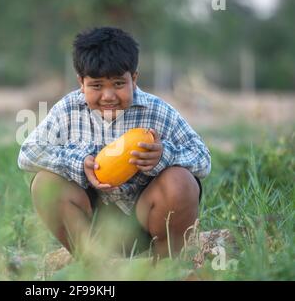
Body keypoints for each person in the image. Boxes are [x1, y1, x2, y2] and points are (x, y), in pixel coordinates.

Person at [18, 26, 211, 259]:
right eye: (97, 85)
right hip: (92, 224)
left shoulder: (157, 112)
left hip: (146, 220)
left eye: (119, 84)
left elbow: (202, 158)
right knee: (44, 183)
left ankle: (163, 267)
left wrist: (164, 156)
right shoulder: (68, 110)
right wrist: (78, 162)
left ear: (134, 78)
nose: (108, 96)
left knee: (181, 181)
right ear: (81, 82)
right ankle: (95, 268)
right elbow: (28, 153)